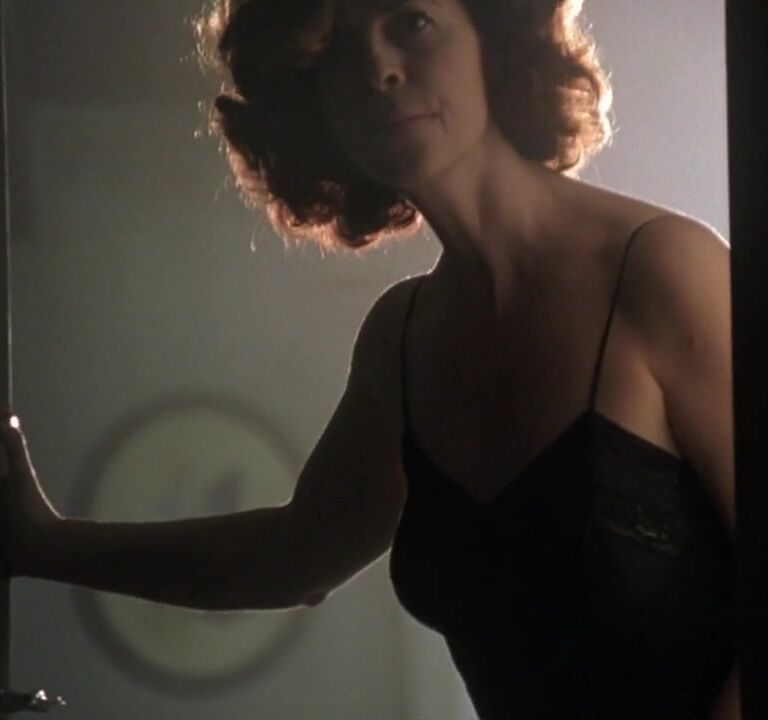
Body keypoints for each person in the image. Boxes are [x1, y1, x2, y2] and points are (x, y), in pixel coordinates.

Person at [1, 0, 739, 717]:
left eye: (410, 23)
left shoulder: (665, 271)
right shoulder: (403, 337)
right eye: (336, 48)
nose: (377, 68)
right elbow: (294, 556)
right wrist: (43, 545)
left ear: (496, 37)